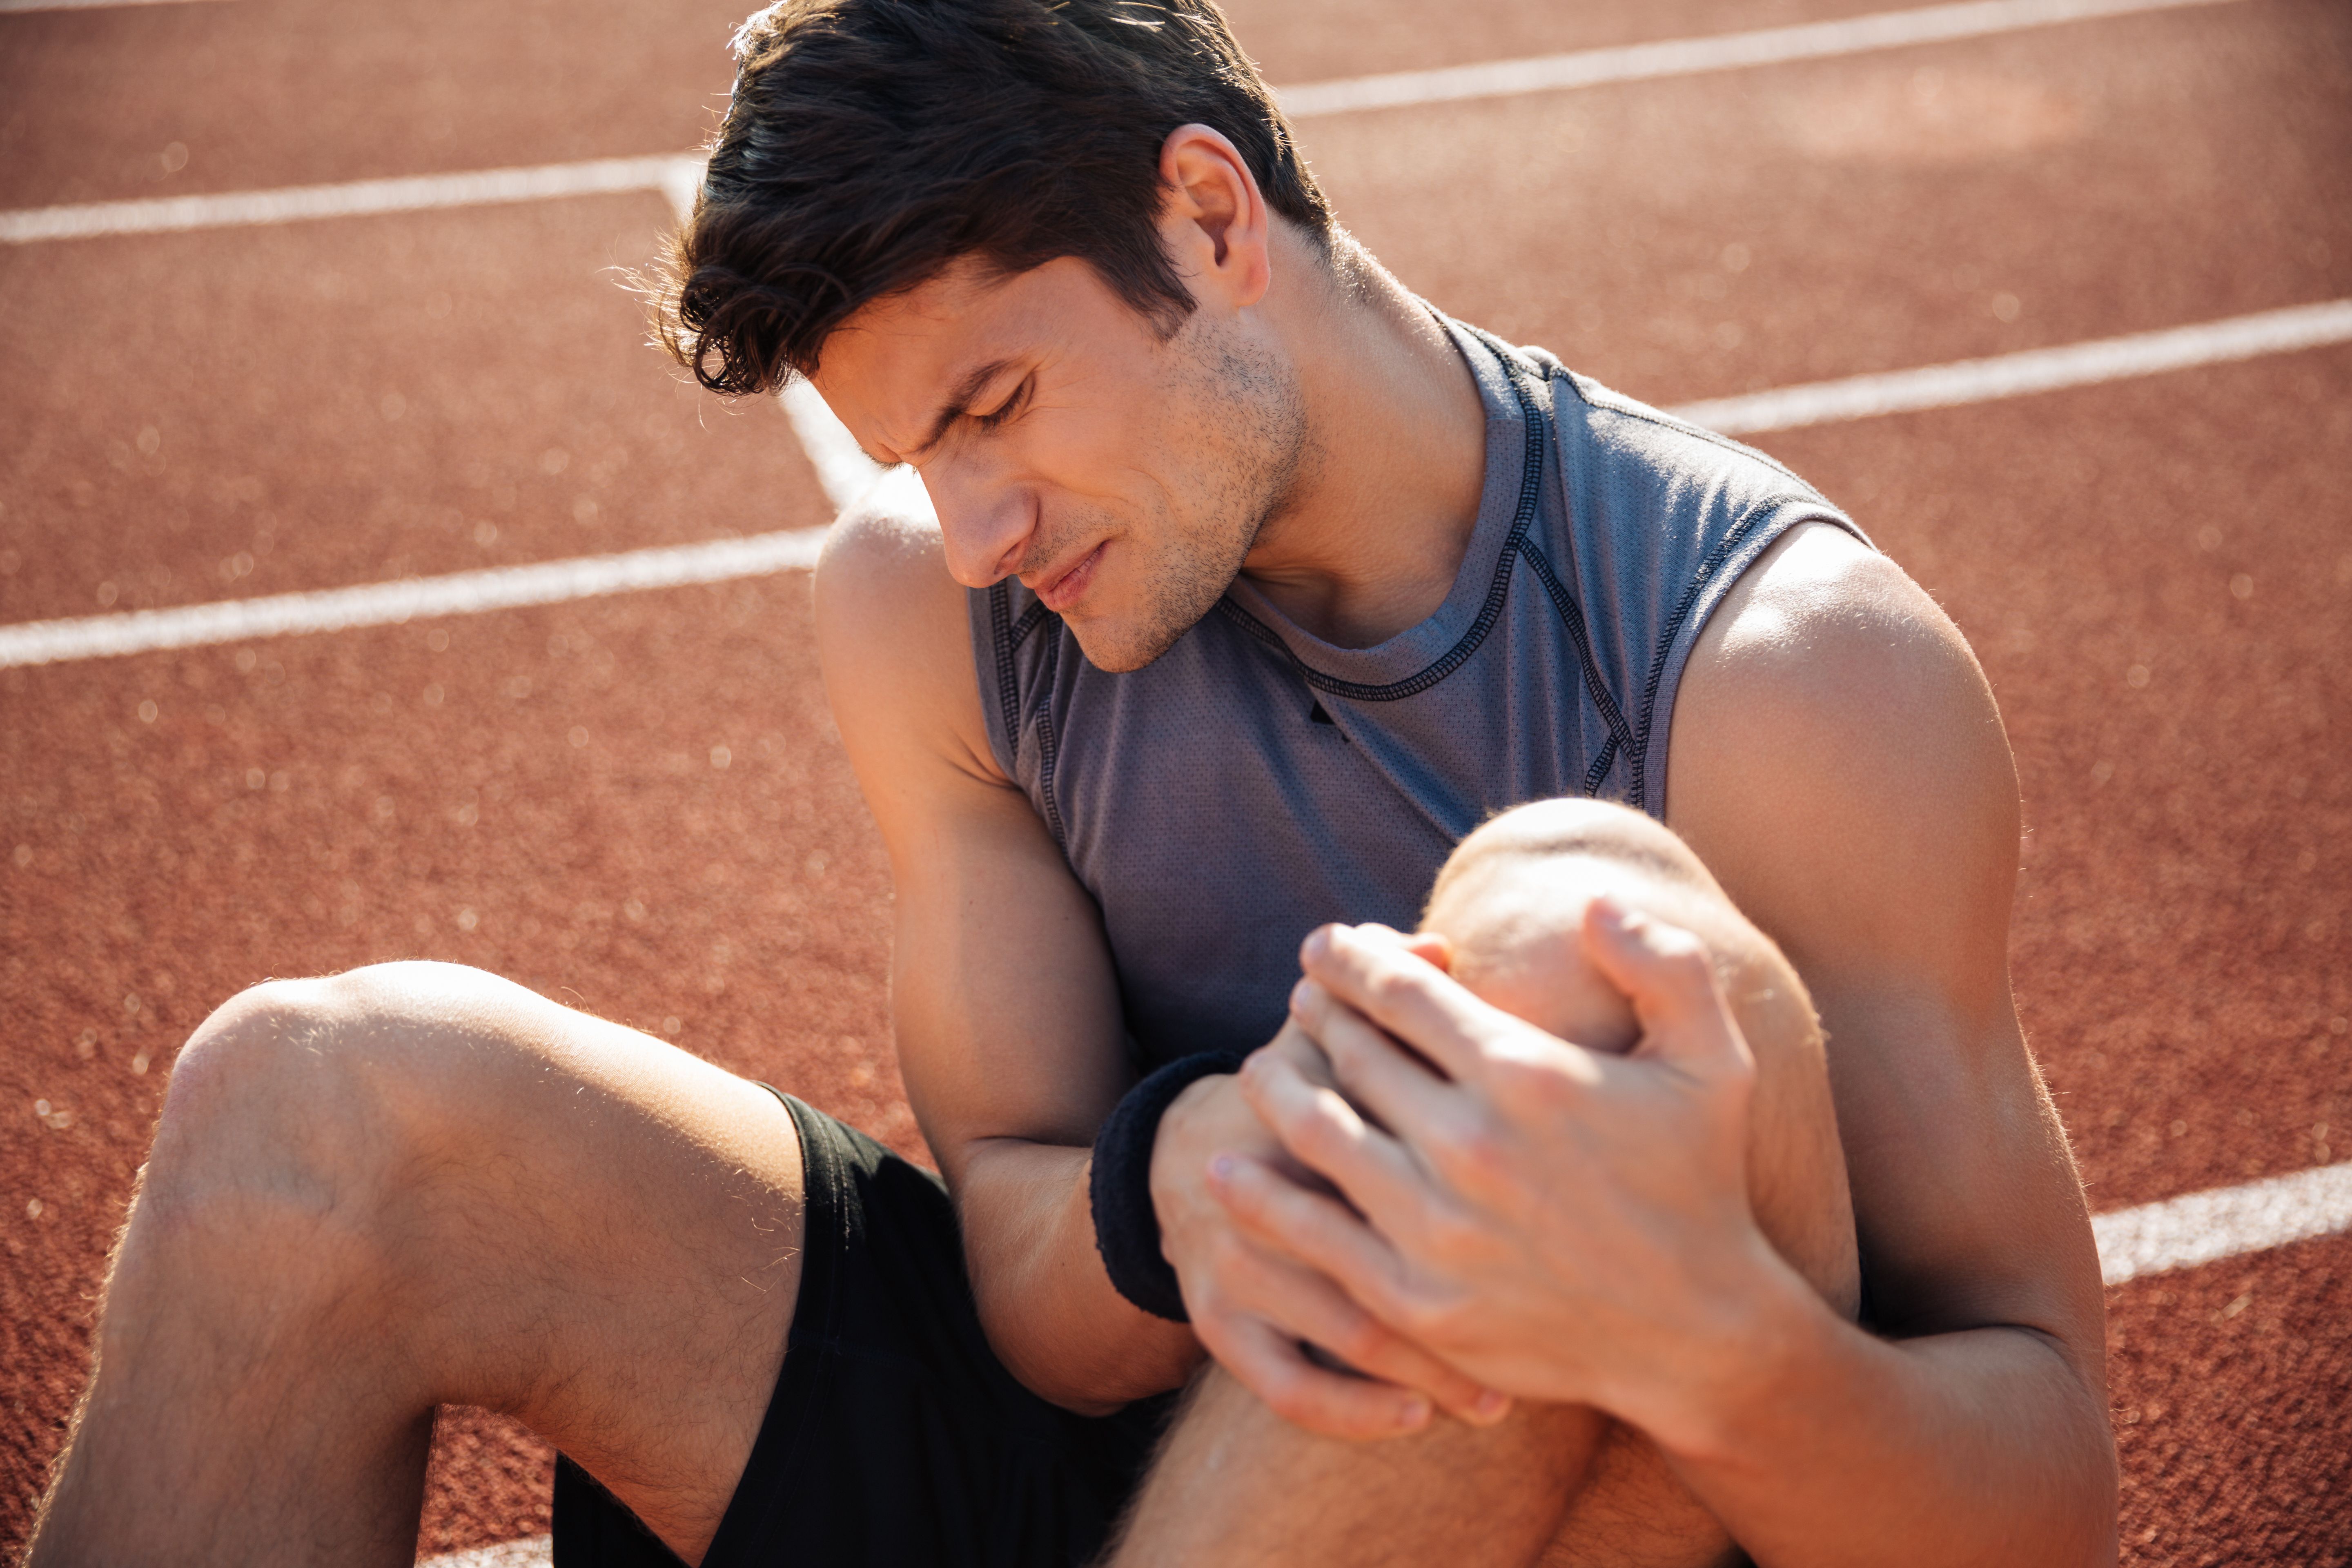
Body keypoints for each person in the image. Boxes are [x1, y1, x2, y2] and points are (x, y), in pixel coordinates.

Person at [25, 0, 2117, 1564]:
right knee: (312, 1096)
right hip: (1105, 1480)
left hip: (1545, 1493)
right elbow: (1026, 1246)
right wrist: (1186, 1182)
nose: (972, 529)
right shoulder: (941, 610)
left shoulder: (1781, 674)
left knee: (1554, 953)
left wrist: (1706, 1342)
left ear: (1205, 217)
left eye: (998, 408)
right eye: (919, 450)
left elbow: (2048, 1492)